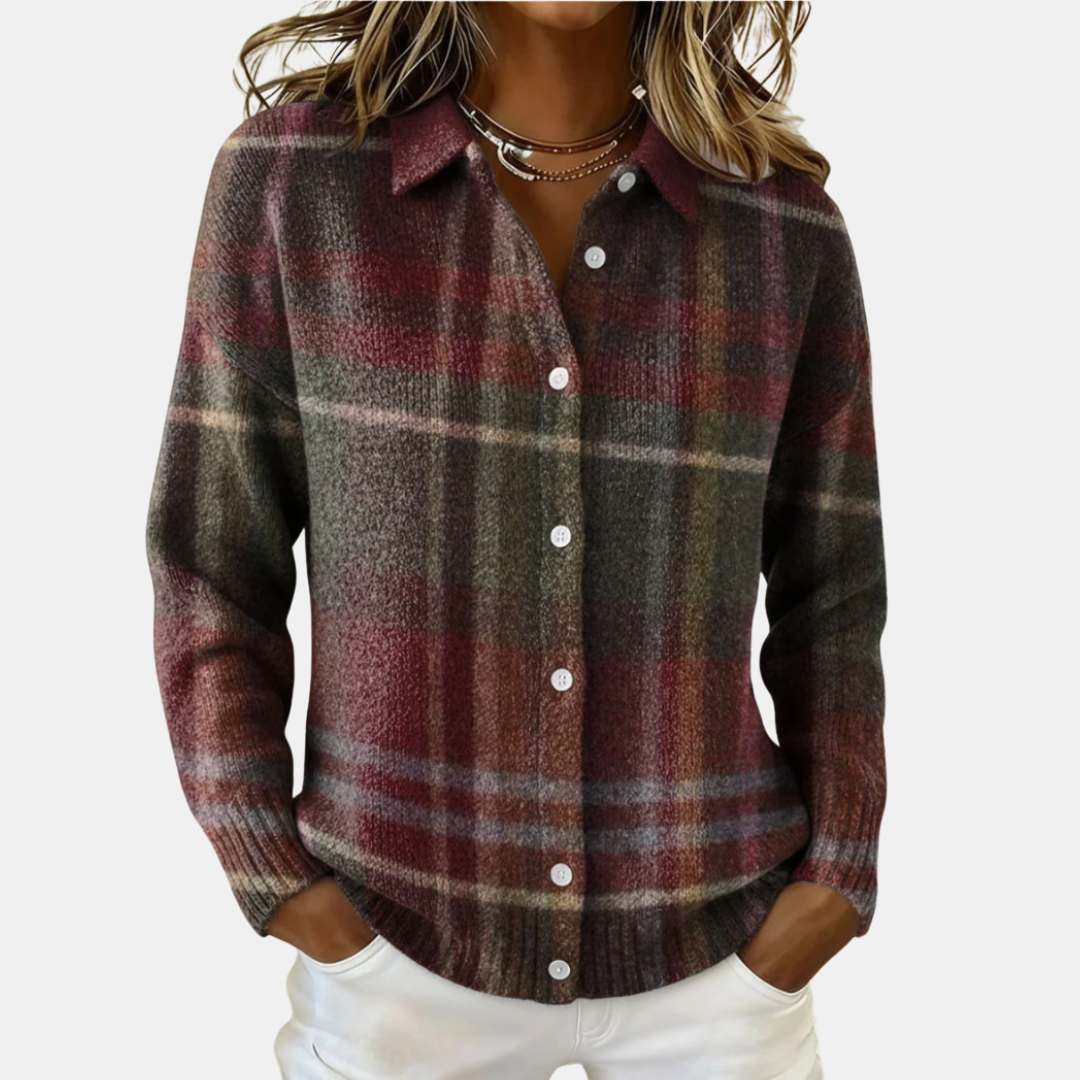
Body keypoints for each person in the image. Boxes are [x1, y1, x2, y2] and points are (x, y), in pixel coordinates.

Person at [144, 2, 887, 1077]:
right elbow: (210, 563)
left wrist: (835, 878)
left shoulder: (782, 227)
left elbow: (837, 591)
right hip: (397, 954)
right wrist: (276, 873)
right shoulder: (293, 185)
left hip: (721, 962)